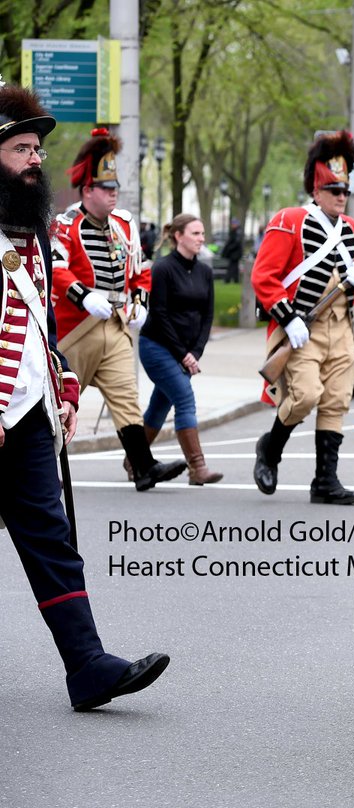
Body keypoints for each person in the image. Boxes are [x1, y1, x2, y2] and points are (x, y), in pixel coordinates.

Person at [0, 84, 170, 710]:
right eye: (21, 148)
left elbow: (37, 321)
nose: (35, 159)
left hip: (27, 414)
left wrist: (63, 386)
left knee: (52, 538)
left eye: (37, 148)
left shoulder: (32, 231)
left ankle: (88, 667)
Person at [51, 128, 186, 491]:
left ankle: (143, 467)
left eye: (115, 189)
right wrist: (82, 296)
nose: (113, 195)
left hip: (116, 322)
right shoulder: (66, 226)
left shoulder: (125, 224)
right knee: (57, 402)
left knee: (126, 397)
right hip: (76, 328)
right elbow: (56, 268)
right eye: (106, 189)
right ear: (87, 190)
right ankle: (43, 471)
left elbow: (140, 272)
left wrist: (140, 302)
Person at [251, 130, 354, 504]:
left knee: (336, 400)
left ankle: (325, 482)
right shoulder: (290, 221)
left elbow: (351, 282)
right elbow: (264, 277)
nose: (341, 197)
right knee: (305, 396)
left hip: (342, 329)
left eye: (345, 191)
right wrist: (288, 319)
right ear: (316, 191)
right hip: (304, 329)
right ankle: (270, 450)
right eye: (334, 190)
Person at [138, 213, 222, 485]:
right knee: (184, 397)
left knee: (160, 405)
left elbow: (207, 316)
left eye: (202, 233)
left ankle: (134, 460)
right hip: (156, 347)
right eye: (196, 233)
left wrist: (195, 352)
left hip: (185, 352)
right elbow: (159, 314)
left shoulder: (204, 271)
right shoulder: (162, 268)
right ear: (178, 236)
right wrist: (183, 354)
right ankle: (197, 468)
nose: (201, 238)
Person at [219, 216, 243, 283]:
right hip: (234, 253)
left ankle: (228, 279)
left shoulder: (237, 232)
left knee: (232, 266)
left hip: (235, 253)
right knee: (234, 267)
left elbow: (236, 243)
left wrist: (229, 248)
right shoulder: (235, 231)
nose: (232, 225)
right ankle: (235, 280)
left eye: (233, 224)